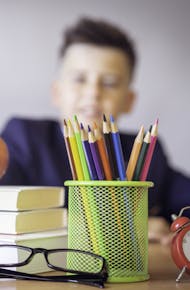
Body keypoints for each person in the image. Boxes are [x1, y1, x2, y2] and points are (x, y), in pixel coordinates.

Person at [0, 17, 190, 245]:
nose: (93, 92)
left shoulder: (147, 152)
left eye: (109, 83)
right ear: (56, 92)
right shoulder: (24, 137)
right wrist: (130, 226)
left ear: (129, 100)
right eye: (79, 79)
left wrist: (172, 226)